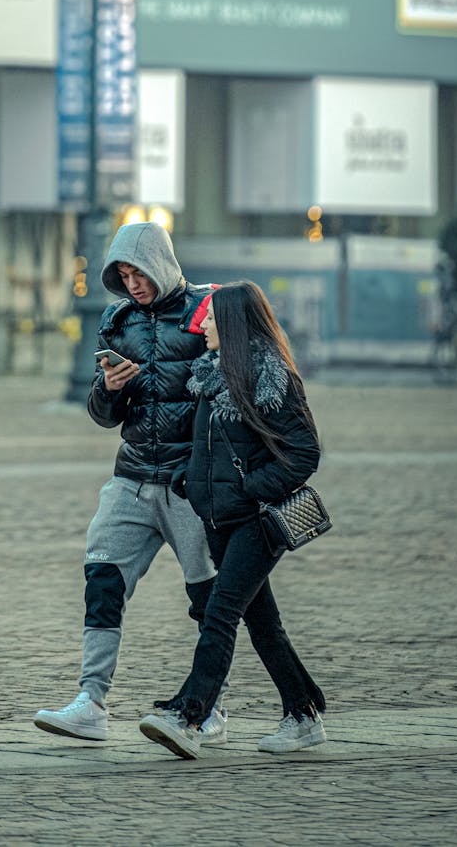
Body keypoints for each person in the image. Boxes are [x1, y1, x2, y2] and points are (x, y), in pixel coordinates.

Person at [34, 221, 227, 743]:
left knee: (209, 600)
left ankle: (209, 710)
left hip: (193, 483)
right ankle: (91, 702)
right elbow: (103, 415)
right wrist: (108, 388)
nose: (132, 282)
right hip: (134, 476)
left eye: (138, 271)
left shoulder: (206, 311)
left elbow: (233, 388)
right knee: (101, 577)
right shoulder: (117, 321)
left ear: (160, 265)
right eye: (122, 273)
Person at [139, 280, 327, 760]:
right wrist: (190, 478)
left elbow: (304, 452)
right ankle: (303, 714)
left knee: (220, 613)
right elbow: (211, 447)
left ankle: (190, 715)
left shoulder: (270, 375)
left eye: (210, 318)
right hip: (218, 519)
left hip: (257, 522)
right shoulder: (212, 373)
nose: (201, 325)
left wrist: (249, 491)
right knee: (262, 623)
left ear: (234, 323)